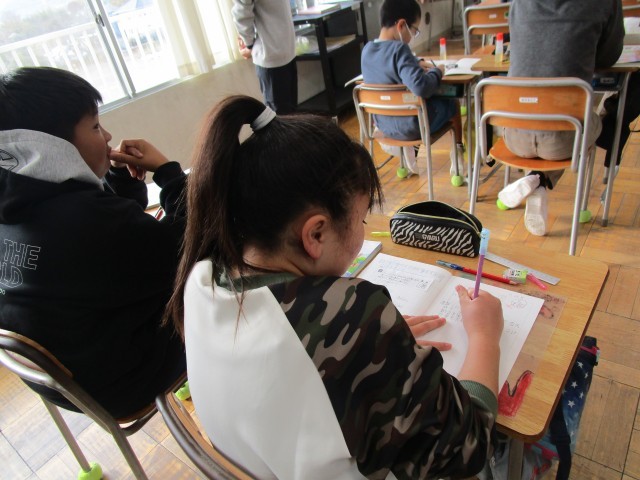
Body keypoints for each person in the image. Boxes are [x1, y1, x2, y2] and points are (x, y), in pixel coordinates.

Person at [165, 95, 504, 478]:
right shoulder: (351, 314)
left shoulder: (201, 276)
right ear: (316, 234)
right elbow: (470, 444)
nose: (362, 232)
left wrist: (375, 349)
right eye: (361, 220)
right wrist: (484, 336)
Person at [0, 67, 188, 418]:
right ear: (51, 146)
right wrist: (169, 173)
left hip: (66, 381)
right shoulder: (90, 220)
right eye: (95, 126)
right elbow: (191, 242)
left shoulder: (18, 207)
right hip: (129, 379)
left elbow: (108, 244)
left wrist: (119, 179)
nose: (108, 136)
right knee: (228, 272)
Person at [496, 0, 624, 236]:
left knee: (564, 121)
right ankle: (539, 179)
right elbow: (608, 57)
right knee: (596, 116)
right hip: (564, 142)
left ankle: (536, 180)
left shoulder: (519, 3)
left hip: (514, 136)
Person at [361, 0, 464, 177]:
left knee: (408, 103)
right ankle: (458, 156)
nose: (413, 36)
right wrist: (438, 71)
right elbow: (421, 87)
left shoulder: (367, 50)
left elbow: (388, 64)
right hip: (411, 128)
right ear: (401, 25)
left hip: (383, 126)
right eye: (414, 30)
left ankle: (408, 153)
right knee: (453, 104)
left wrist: (415, 62)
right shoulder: (400, 49)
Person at [232, 0, 298, 114]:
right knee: (283, 115)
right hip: (275, 53)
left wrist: (248, 44)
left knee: (286, 115)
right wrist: (249, 43)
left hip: (280, 51)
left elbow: (242, 12)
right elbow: (242, 12)